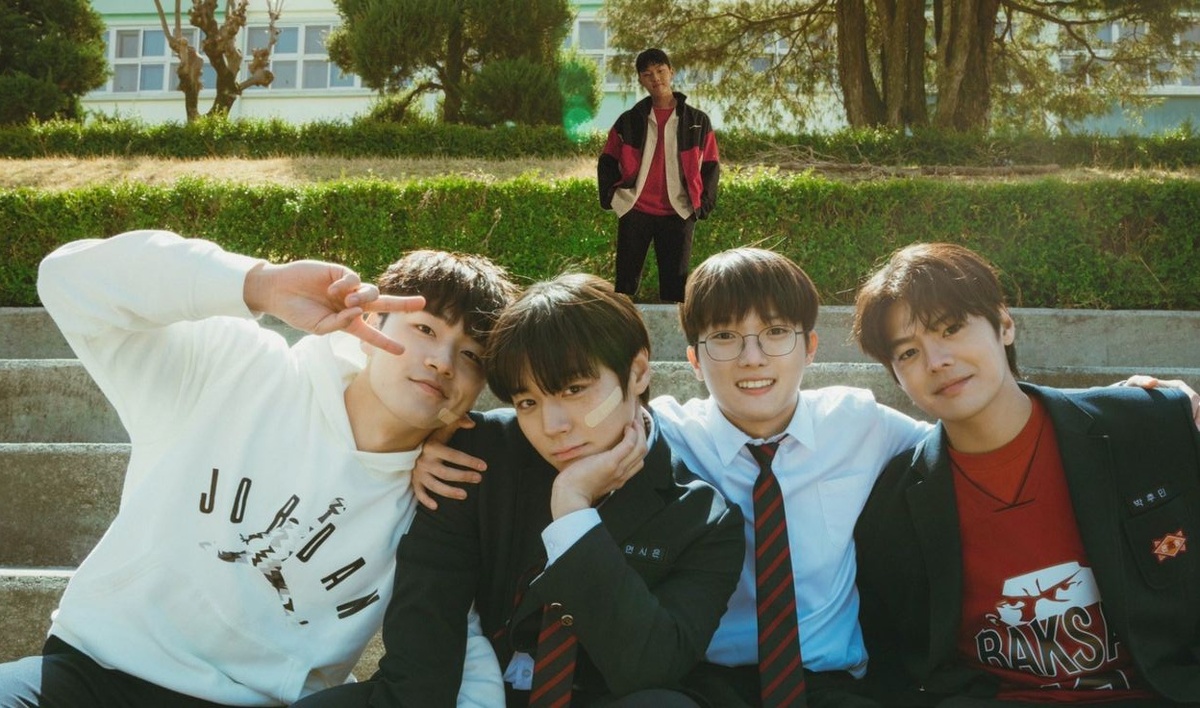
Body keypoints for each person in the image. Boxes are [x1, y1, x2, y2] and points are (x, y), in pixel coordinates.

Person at [0, 230, 518, 707]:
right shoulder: (236, 368)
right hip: (92, 672)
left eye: (471, 356)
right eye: (424, 328)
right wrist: (257, 284)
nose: (442, 361)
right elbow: (68, 280)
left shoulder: (441, 495)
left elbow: (457, 644)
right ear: (367, 327)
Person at [415, 248, 936, 707]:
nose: (752, 358)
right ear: (692, 360)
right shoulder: (664, 433)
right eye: (724, 337)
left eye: (776, 333)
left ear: (811, 346)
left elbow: (964, 439)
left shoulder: (860, 424)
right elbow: (564, 404)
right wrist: (420, 446)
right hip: (706, 680)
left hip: (827, 680)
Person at [294, 273, 745, 707]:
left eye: (574, 389)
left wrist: (573, 514)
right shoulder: (476, 455)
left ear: (639, 372)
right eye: (528, 402)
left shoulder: (703, 518)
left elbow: (648, 667)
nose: (553, 426)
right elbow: (427, 626)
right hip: (466, 691)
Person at [852, 242, 1200, 707]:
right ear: (895, 375)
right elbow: (896, 661)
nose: (936, 361)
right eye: (909, 352)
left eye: (951, 329)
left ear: (1005, 323)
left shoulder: (1148, 425)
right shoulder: (891, 507)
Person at [598, 47, 720, 303]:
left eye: (660, 71)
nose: (655, 78)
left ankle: (675, 329)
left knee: (676, 290)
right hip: (635, 209)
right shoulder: (629, 120)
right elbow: (607, 159)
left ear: (671, 72)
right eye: (647, 74)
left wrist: (703, 204)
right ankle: (624, 326)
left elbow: (710, 164)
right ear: (641, 80)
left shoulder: (697, 120)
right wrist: (611, 198)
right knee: (625, 286)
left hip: (679, 211)